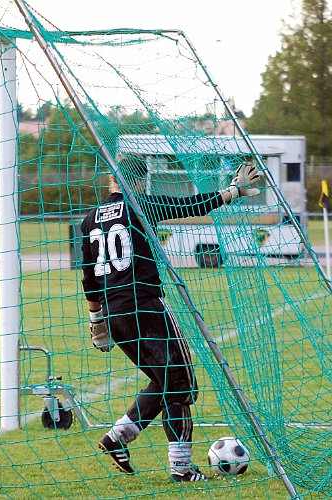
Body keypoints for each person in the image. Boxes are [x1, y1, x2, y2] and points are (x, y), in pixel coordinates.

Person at [79, 155, 261, 482]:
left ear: (110, 179)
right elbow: (192, 205)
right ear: (138, 181)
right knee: (180, 382)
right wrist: (235, 190)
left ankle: (117, 437)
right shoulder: (141, 205)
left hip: (115, 315)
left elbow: (89, 278)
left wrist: (97, 322)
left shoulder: (89, 219)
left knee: (165, 381)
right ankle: (181, 468)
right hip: (146, 307)